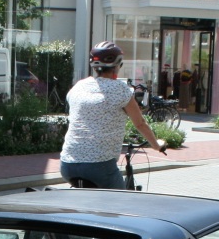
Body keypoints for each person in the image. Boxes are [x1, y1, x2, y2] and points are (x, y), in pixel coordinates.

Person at [60, 41, 166, 189]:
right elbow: (140, 123)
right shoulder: (121, 89)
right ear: (118, 65)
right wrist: (156, 145)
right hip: (99, 166)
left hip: (67, 165)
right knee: (119, 204)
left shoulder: (79, 86)